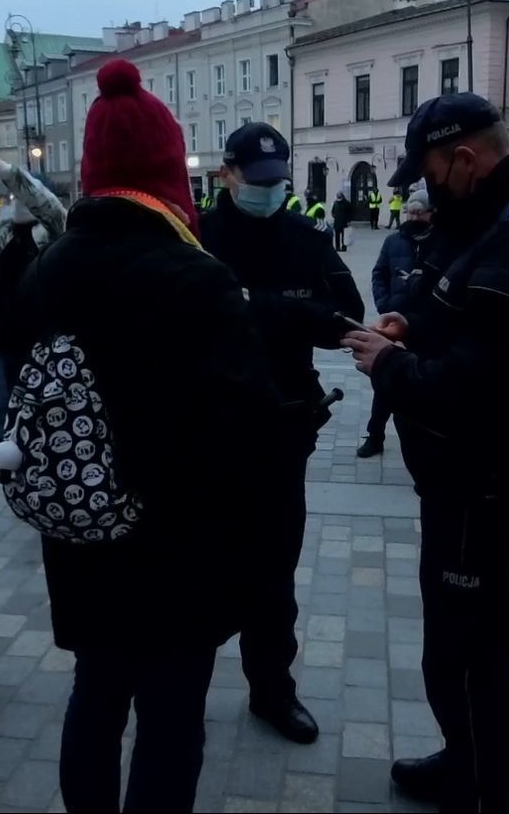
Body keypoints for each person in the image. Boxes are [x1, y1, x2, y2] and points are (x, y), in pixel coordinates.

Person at [10, 59, 280, 812]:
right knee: (169, 718)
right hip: (179, 547)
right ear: (169, 172)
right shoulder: (196, 277)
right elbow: (245, 431)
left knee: (95, 697)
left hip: (82, 534)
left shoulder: (48, 270)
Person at [341, 93, 509, 813]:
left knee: (474, 657)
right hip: (459, 480)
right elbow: (453, 297)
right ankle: (464, 761)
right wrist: (406, 323)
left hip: (484, 480)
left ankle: (481, 792)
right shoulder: (495, 221)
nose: (431, 190)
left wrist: (388, 364)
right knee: (453, 647)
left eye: (433, 172)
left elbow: (470, 389)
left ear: (467, 159)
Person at [200, 122, 364, 746]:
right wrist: (292, 312)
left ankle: (273, 691)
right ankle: (182, 691)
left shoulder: (305, 237)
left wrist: (254, 305)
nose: (267, 191)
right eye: (255, 180)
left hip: (281, 430)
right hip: (208, 433)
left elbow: (348, 319)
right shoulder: (197, 236)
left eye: (277, 181)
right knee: (201, 567)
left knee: (274, 575)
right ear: (228, 175)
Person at [0, 145, 65, 442]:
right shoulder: (3, 233)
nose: (17, 199)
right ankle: (7, 467)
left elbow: (43, 202)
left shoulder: (54, 227)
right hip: (3, 340)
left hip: (42, 342)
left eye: (22, 191)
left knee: (43, 413)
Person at [358, 189, 436, 459]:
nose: (414, 216)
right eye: (411, 212)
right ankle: (375, 435)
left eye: (420, 212)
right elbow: (379, 272)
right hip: (394, 322)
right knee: (385, 380)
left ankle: (423, 439)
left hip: (426, 325)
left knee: (422, 381)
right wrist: (385, 303)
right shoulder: (393, 241)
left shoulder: (441, 241)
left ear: (430, 213)